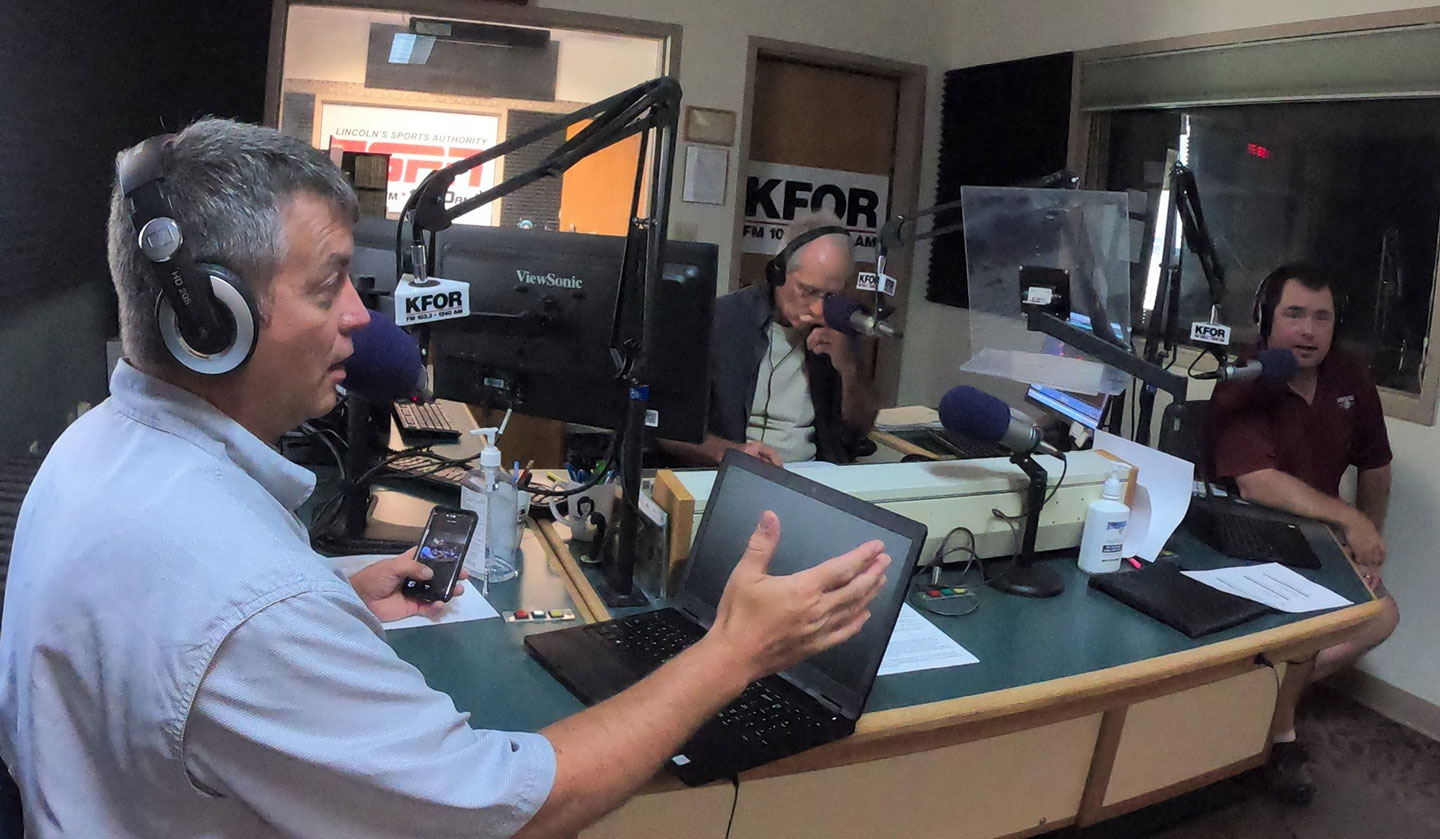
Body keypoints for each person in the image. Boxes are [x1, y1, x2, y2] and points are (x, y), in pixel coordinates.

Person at [0, 119, 891, 838]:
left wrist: (334, 586)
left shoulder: (95, 446)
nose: (359, 317)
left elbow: (188, 630)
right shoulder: (251, 604)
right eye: (329, 286)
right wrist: (731, 653)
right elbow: (509, 808)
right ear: (213, 322)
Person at [1208, 263, 1399, 805]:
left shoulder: (1349, 377)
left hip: (1316, 540)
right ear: (1267, 320)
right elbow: (1257, 483)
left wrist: (1368, 545)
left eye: (1322, 317)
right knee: (1306, 629)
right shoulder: (1243, 380)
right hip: (1243, 533)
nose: (1309, 330)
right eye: (1294, 314)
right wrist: (1349, 519)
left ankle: (1253, 706)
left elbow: (1377, 467)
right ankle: (1281, 734)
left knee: (1380, 616)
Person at [662, 210, 880, 467]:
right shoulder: (720, 321)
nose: (818, 308)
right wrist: (728, 452)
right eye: (808, 291)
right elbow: (665, 425)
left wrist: (850, 369)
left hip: (810, 475)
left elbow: (859, 428)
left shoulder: (840, 328)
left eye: (830, 296)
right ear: (778, 272)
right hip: (731, 470)